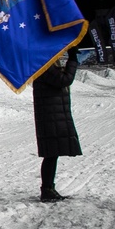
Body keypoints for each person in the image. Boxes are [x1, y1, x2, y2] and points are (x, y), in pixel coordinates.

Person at [33, 45, 82, 202]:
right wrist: (73, 59)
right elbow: (64, 80)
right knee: (50, 154)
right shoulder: (44, 65)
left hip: (52, 113)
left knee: (52, 153)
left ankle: (49, 188)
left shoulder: (45, 63)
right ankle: (47, 189)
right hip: (50, 115)